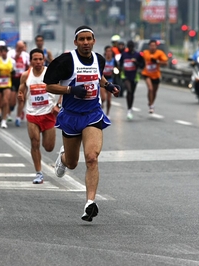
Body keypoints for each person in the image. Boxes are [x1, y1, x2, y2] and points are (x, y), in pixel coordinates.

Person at [43, 25, 121, 222]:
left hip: (92, 114)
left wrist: (108, 85)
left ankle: (90, 203)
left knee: (92, 157)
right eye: (82, 39)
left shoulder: (99, 60)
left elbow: (98, 76)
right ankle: (62, 157)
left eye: (89, 39)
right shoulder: (65, 61)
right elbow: (49, 86)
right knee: (72, 162)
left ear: (94, 41)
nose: (86, 42)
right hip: (70, 116)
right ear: (76, 42)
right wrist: (71, 91)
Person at [17, 48, 61, 184]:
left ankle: (61, 158)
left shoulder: (50, 73)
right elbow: (21, 90)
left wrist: (58, 105)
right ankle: (39, 173)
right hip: (32, 114)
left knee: (49, 147)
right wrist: (20, 96)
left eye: (40, 59)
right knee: (34, 142)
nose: (38, 62)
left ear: (44, 60)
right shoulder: (26, 75)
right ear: (30, 61)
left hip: (48, 114)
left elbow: (61, 89)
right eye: (35, 59)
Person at [141, 39, 168, 114]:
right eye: (151, 46)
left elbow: (166, 62)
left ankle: (151, 103)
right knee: (150, 88)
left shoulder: (159, 53)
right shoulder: (145, 53)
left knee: (154, 91)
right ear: (149, 46)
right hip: (147, 74)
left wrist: (157, 61)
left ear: (156, 46)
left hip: (156, 75)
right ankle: (151, 104)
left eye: (154, 46)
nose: (152, 47)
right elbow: (140, 59)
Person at [119, 40, 144, 120]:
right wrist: (120, 69)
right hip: (125, 76)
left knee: (132, 93)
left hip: (134, 76)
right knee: (129, 91)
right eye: (129, 47)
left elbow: (142, 65)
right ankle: (129, 109)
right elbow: (120, 63)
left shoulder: (137, 55)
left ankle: (130, 108)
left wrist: (136, 63)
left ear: (134, 47)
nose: (130, 48)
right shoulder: (124, 54)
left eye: (132, 47)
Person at [8, 41, 30, 126]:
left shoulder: (26, 55)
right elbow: (9, 64)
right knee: (12, 101)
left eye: (22, 47)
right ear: (16, 47)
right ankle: (11, 106)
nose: (21, 49)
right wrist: (16, 57)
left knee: (21, 99)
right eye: (19, 47)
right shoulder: (11, 53)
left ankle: (18, 117)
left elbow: (28, 66)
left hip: (22, 79)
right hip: (13, 79)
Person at [101, 45, 118, 117]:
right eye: (107, 51)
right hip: (102, 81)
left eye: (110, 51)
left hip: (110, 80)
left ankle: (107, 113)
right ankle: (101, 105)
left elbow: (117, 69)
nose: (109, 53)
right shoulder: (102, 60)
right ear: (105, 52)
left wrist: (115, 71)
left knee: (108, 99)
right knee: (103, 98)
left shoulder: (114, 61)